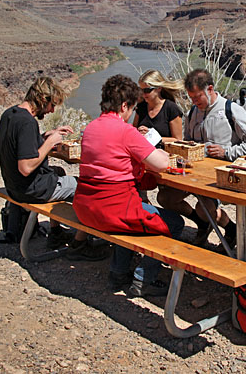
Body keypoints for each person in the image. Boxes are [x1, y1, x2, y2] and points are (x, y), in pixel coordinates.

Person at [73, 74, 184, 297]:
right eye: (132, 108)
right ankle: (144, 279)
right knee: (173, 222)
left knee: (130, 219)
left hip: (85, 207)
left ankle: (118, 273)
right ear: (124, 105)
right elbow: (161, 164)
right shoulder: (125, 131)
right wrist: (159, 151)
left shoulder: (90, 128)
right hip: (112, 210)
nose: (132, 112)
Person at [0, 76, 105, 260]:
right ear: (43, 100)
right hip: (32, 189)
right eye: (52, 105)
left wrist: (44, 136)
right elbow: (25, 167)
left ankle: (55, 233)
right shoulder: (27, 122)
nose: (52, 110)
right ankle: (80, 244)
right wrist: (50, 142)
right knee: (89, 187)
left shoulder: (11, 114)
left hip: (14, 186)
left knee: (60, 172)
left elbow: (20, 144)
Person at [157, 69, 246, 248]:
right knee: (165, 198)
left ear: (210, 89)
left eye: (197, 96)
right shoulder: (193, 112)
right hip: (192, 175)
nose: (194, 101)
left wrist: (227, 152)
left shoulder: (231, 109)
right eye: (191, 98)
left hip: (220, 178)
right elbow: (188, 141)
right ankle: (204, 224)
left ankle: (230, 230)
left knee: (204, 208)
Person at [132, 69, 183, 146]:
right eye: (140, 90)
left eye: (147, 90)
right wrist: (138, 132)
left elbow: (178, 139)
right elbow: (133, 130)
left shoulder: (171, 108)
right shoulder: (141, 107)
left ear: (159, 88)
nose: (143, 94)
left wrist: (151, 137)